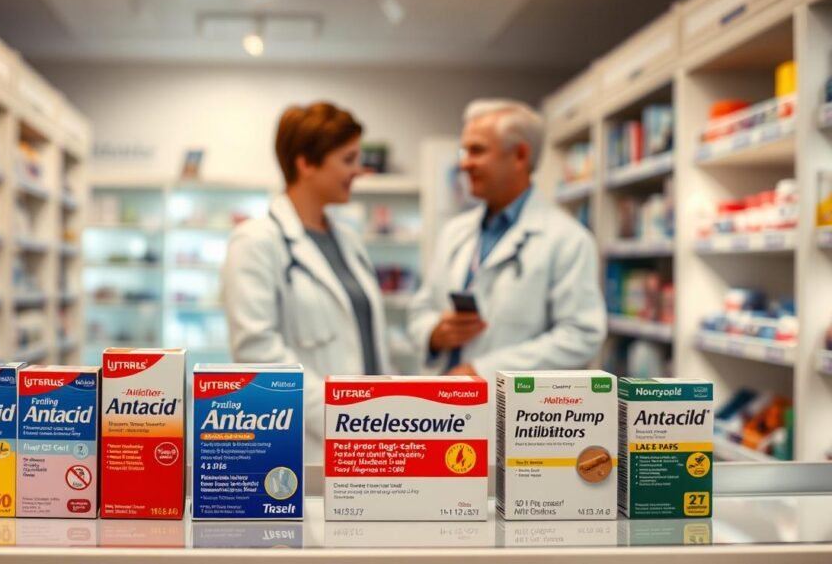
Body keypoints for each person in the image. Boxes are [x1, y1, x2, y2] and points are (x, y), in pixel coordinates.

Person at [221, 101, 390, 464]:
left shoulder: (349, 241)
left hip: (374, 438)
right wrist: (341, 416)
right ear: (306, 163)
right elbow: (256, 351)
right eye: (347, 160)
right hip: (310, 446)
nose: (357, 171)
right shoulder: (256, 240)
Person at [408, 98, 605, 379]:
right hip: (443, 408)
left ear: (520, 156)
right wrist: (435, 333)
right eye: (464, 151)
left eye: (477, 151)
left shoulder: (568, 239)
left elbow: (581, 336)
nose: (464, 163)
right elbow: (421, 310)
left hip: (516, 412)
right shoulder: (455, 233)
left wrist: (484, 371)